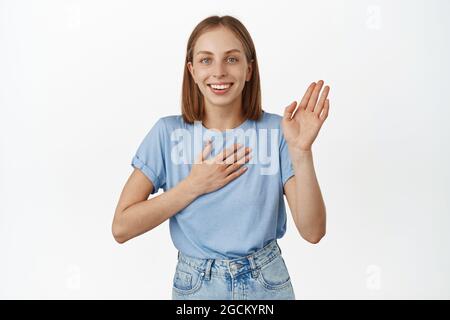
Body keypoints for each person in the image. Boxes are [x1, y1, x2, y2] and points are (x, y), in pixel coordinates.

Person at [112, 15, 330, 300]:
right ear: (191, 70)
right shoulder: (168, 132)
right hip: (197, 287)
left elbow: (313, 232)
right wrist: (193, 185)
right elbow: (122, 227)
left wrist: (301, 152)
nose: (218, 71)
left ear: (249, 69)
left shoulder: (278, 131)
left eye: (231, 59)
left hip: (267, 283)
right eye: (206, 60)